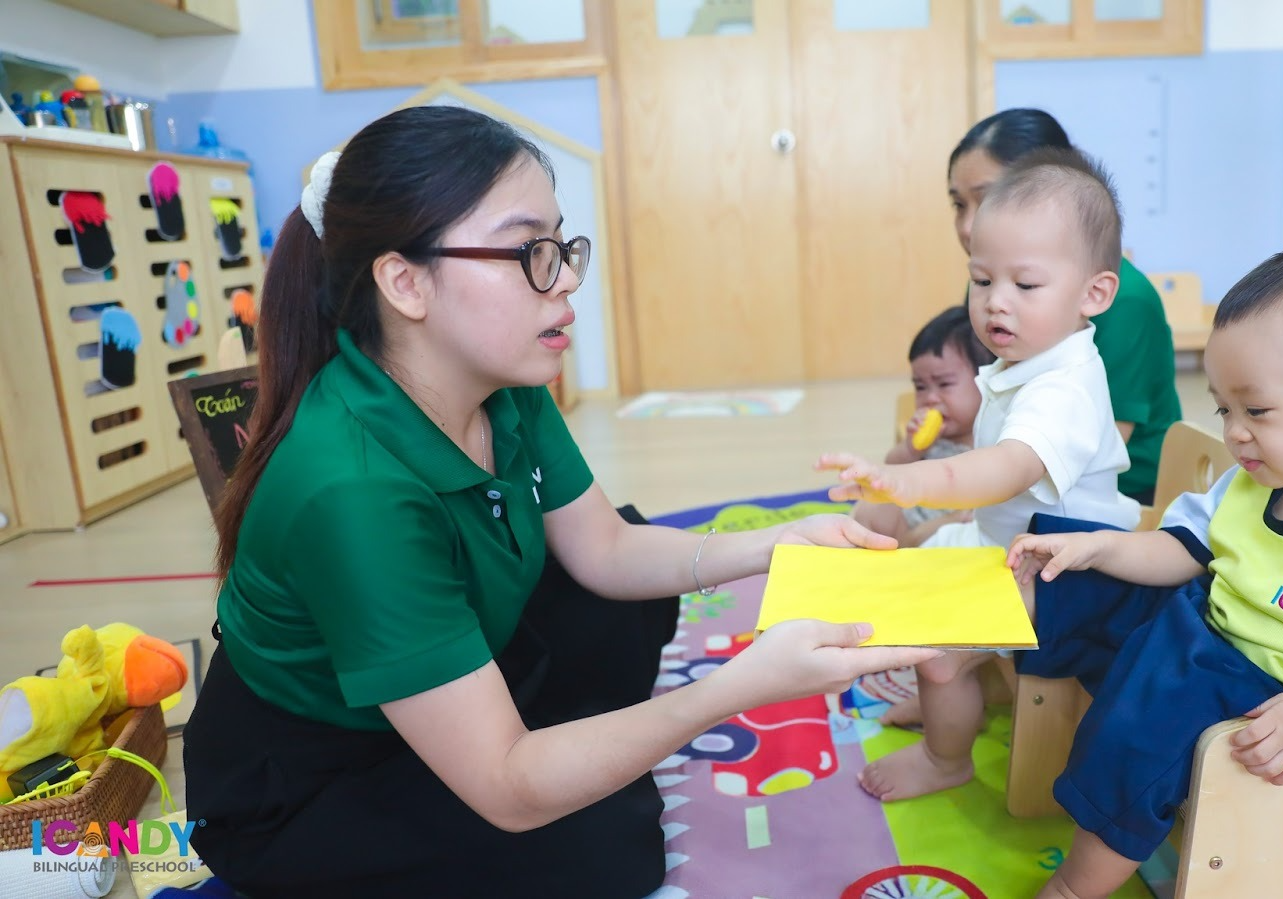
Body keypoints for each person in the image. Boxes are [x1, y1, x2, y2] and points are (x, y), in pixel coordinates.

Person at [181, 106, 938, 899]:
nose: (566, 278)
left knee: (629, 585)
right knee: (604, 845)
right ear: (404, 282)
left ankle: (536, 738)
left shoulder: (500, 380)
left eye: (560, 246)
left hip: (437, 674)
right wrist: (738, 685)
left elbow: (606, 547)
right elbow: (508, 788)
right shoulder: (351, 490)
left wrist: (777, 544)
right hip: (317, 772)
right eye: (527, 252)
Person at [862, 223, 1283, 899]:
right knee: (1072, 570)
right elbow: (1182, 548)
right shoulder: (1258, 476)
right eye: (1224, 409)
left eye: (1256, 410)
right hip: (1200, 620)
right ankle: (957, 655)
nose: (1234, 433)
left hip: (1269, 688)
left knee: (1151, 721)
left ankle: (1076, 886)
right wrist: (1099, 546)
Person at [818, 148, 1139, 547]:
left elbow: (1007, 468)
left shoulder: (1064, 389)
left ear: (1094, 294)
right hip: (1001, 539)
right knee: (896, 549)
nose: (996, 301)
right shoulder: (1026, 361)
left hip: (1061, 562)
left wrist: (909, 482)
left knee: (911, 568)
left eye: (1025, 285)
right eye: (983, 281)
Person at [948, 109, 1181, 506]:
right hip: (1014, 465)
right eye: (958, 205)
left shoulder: (1128, 300)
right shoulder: (992, 288)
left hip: (1108, 491)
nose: (968, 226)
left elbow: (1085, 445)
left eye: (986, 199)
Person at [851, 305, 994, 547]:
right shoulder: (931, 439)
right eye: (920, 387)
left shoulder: (994, 437)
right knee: (871, 508)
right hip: (910, 519)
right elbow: (891, 468)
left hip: (952, 526)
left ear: (986, 380)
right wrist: (910, 449)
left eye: (944, 384)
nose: (930, 398)